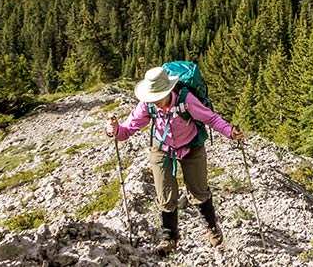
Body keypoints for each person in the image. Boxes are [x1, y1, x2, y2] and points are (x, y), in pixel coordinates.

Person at [105, 65, 245, 253]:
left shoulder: (186, 99)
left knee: (199, 190)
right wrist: (113, 130)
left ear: (168, 90)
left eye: (158, 98)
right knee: (165, 194)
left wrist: (230, 132)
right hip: (162, 149)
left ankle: (212, 228)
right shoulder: (147, 105)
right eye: (151, 98)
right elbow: (126, 131)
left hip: (191, 147)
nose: (154, 103)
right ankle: (169, 238)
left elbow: (210, 118)